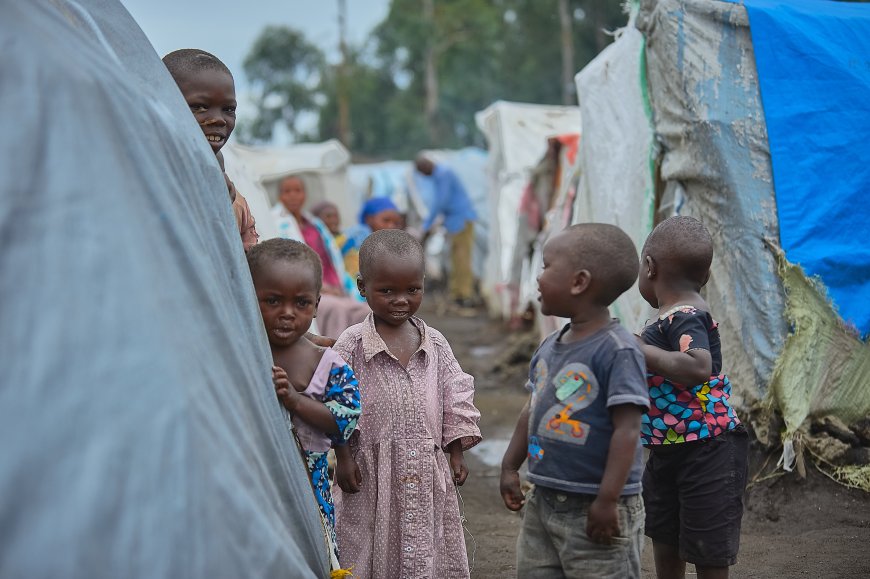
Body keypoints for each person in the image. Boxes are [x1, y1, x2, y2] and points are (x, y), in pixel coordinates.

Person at [500, 223, 650, 578]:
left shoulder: (618, 350)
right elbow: (532, 409)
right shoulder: (550, 346)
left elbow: (628, 431)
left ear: (579, 282)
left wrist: (608, 499)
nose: (538, 278)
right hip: (543, 499)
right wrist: (510, 465)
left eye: (547, 266)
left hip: (598, 506)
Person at [331, 229, 482, 578]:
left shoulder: (435, 343)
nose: (401, 300)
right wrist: (341, 456)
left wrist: (456, 449)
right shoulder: (352, 344)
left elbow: (455, 391)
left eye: (412, 290)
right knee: (366, 546)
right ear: (361, 287)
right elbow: (332, 402)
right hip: (369, 474)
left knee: (427, 546)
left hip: (427, 471)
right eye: (387, 291)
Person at [636, 216, 748, 579]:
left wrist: (640, 350)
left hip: (707, 450)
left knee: (707, 540)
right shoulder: (667, 319)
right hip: (670, 448)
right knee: (664, 531)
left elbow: (698, 366)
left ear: (649, 267)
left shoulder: (685, 316)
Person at [247, 238, 361, 563]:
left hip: (307, 484)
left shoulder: (325, 363)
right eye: (272, 300)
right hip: (254, 477)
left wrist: (295, 402)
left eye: (300, 303)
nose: (286, 313)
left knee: (309, 553)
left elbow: (346, 417)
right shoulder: (244, 352)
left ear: (316, 304)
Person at [162, 49, 258, 250]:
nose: (219, 119)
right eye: (199, 107)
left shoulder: (237, 206)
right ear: (161, 103)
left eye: (228, 109)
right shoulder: (144, 179)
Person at [271, 175, 369, 338]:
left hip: (335, 289)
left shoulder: (315, 224)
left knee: (365, 310)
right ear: (280, 196)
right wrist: (321, 287)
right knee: (338, 310)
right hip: (306, 290)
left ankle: (359, 356)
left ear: (305, 194)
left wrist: (338, 287)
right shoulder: (274, 223)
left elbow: (333, 261)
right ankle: (335, 357)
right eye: (287, 191)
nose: (293, 195)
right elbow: (285, 264)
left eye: (298, 190)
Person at [414, 155, 478, 307]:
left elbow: (440, 201)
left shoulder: (443, 174)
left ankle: (464, 294)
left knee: (462, 258)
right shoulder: (441, 174)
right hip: (454, 221)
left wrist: (427, 225)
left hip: (461, 219)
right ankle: (457, 293)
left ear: (426, 168)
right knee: (456, 258)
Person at [338, 197, 403, 278]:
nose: (391, 226)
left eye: (396, 223)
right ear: (369, 219)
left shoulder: (388, 243)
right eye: (386, 220)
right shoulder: (357, 236)